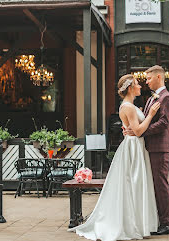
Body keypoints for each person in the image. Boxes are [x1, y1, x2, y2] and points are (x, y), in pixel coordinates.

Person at [69, 74, 161, 241]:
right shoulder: (128, 107)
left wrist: (137, 122)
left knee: (136, 184)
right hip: (133, 147)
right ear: (131, 88)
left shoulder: (130, 106)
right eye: (137, 84)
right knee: (133, 184)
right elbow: (139, 131)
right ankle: (133, 224)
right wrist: (151, 115)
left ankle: (139, 223)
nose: (140, 86)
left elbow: (134, 128)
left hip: (136, 146)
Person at [127, 65, 169, 235]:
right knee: (152, 185)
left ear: (158, 77)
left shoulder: (167, 98)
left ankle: (167, 223)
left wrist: (140, 132)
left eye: (148, 78)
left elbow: (164, 123)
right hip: (148, 147)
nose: (146, 81)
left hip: (158, 149)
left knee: (160, 185)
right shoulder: (151, 98)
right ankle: (156, 220)